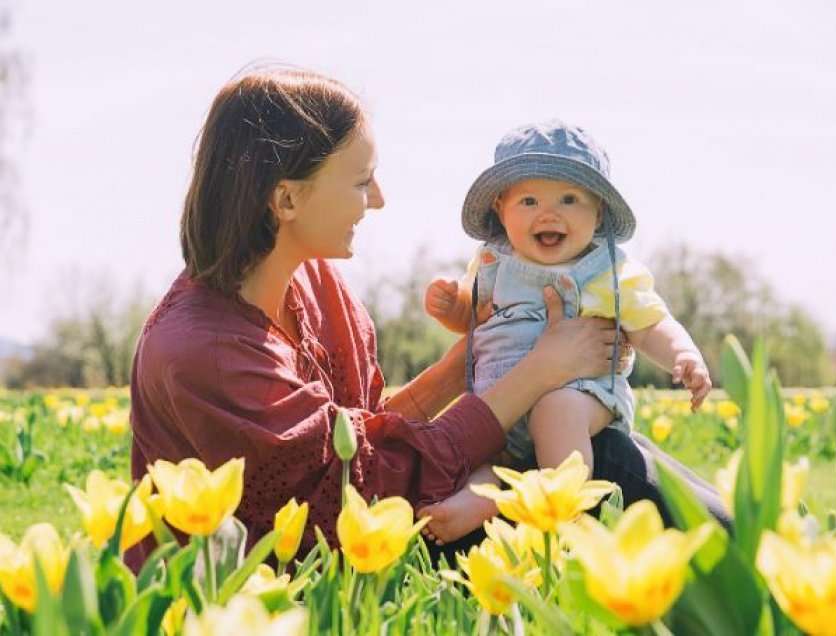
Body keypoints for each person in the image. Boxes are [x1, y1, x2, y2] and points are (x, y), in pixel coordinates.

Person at [125, 66, 635, 572]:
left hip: (354, 545)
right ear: (286, 199)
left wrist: (469, 361)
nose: (379, 199)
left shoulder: (318, 283)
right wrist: (539, 372)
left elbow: (367, 433)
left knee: (590, 447)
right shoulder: (204, 353)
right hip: (271, 596)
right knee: (590, 470)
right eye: (361, 181)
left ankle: (711, 557)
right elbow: (364, 485)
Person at [418, 121, 712, 544]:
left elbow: (650, 324)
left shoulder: (608, 271)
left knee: (556, 413)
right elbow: (475, 319)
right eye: (529, 200)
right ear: (501, 209)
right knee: (479, 448)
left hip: (579, 396)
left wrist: (684, 356)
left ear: (599, 213)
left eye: (570, 199)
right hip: (499, 403)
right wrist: (453, 307)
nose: (548, 213)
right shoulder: (490, 263)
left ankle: (563, 518)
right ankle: (477, 498)